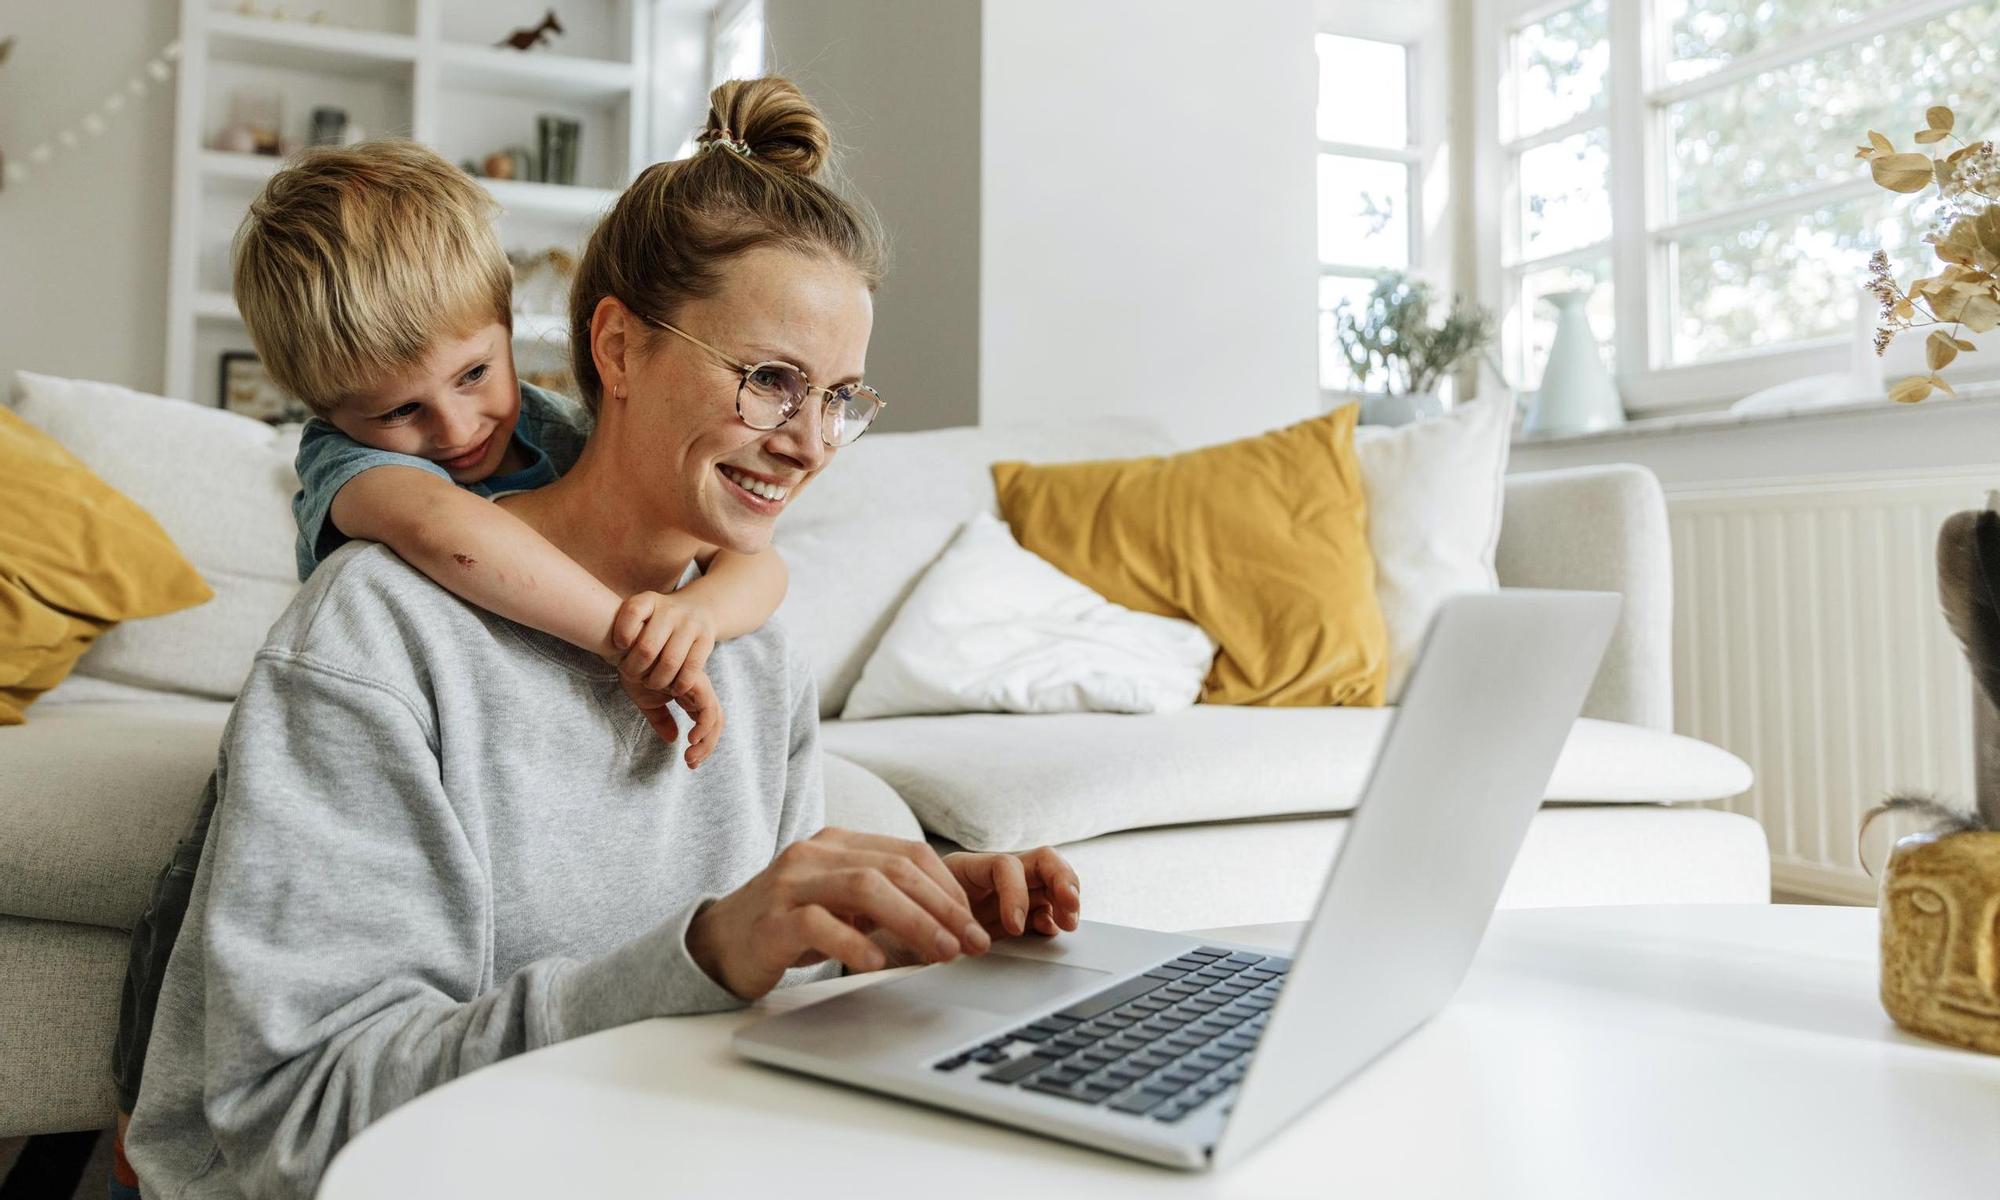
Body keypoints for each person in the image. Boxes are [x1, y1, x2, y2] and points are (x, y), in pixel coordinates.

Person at [121, 77, 1081, 1199]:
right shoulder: (377, 631)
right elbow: (292, 1121)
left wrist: (891, 924)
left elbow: (732, 991)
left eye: (839, 399)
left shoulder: (754, 652)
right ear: (616, 349)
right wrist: (711, 949)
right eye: (771, 382)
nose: (809, 444)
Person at [105, 138, 785, 1197]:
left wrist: (694, 618)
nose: (457, 428)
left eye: (474, 374)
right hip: (308, 769)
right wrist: (623, 635)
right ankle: (133, 1125)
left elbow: (763, 571)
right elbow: (451, 536)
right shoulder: (358, 477)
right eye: (398, 411)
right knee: (189, 968)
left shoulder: (560, 427)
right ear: (326, 410)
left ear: (513, 323)